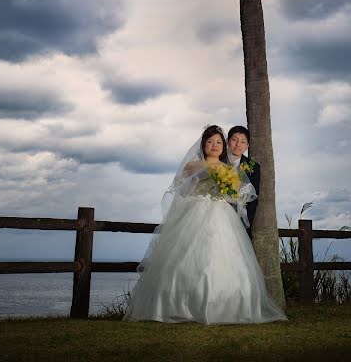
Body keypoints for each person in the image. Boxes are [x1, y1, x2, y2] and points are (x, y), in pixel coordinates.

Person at [123, 125, 286, 325]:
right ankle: (178, 306)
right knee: (184, 258)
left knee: (221, 258)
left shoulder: (228, 169)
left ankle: (225, 306)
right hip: (195, 211)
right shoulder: (192, 166)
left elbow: (239, 195)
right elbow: (182, 191)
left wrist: (227, 186)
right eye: (210, 142)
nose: (215, 145)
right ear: (203, 144)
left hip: (222, 213)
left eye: (218, 142)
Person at [227, 125, 260, 235]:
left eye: (242, 142)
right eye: (234, 140)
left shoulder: (254, 167)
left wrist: (246, 222)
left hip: (241, 222)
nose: (238, 145)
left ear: (247, 145)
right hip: (219, 215)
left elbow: (253, 199)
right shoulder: (218, 162)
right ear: (227, 141)